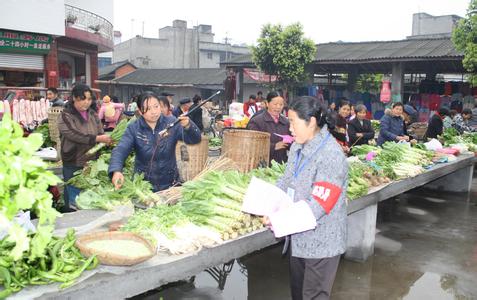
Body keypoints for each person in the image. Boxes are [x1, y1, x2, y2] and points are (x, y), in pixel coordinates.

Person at [265, 96, 348, 300]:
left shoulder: (331, 155)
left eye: (293, 122)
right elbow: (286, 180)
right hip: (299, 238)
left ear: (311, 122)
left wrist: (279, 220)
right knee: (298, 294)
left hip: (321, 242)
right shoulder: (298, 147)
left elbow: (318, 205)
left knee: (313, 296)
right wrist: (268, 205)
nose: (289, 128)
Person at [108, 92, 201, 192]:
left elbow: (194, 139)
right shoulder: (134, 128)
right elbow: (121, 150)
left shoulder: (171, 123)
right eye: (148, 109)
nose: (154, 112)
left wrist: (188, 126)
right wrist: (116, 170)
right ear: (139, 111)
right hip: (143, 185)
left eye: (156, 106)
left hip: (170, 184)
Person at [58, 84, 113, 210]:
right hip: (73, 160)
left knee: (88, 195)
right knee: (73, 194)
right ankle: (70, 217)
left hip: (91, 162)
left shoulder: (93, 114)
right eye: (83, 99)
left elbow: (100, 132)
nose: (86, 102)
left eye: (89, 99)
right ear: (74, 98)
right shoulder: (65, 115)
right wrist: (97, 139)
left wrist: (106, 140)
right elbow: (73, 134)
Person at [247, 91, 291, 164]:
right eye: (275, 104)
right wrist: (274, 146)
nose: (278, 107)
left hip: (282, 165)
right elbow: (252, 144)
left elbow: (292, 142)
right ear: (267, 103)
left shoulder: (286, 122)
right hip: (262, 165)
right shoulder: (256, 121)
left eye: (281, 104)